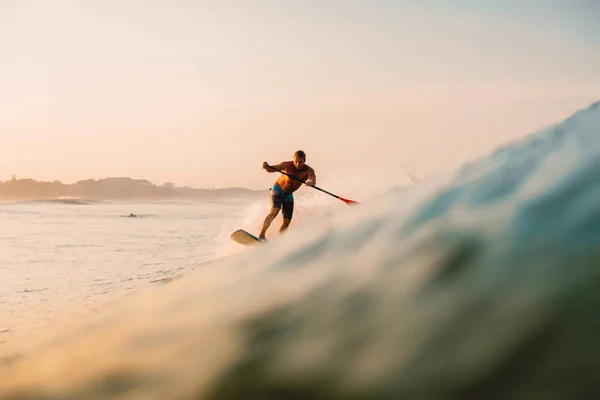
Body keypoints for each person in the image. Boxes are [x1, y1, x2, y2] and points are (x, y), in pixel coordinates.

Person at [259, 150, 316, 240]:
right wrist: (266, 167)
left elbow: (313, 179)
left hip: (288, 195)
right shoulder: (286, 165)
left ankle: (279, 240)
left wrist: (311, 183)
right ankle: (262, 235)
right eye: (295, 161)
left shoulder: (308, 170)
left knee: (287, 221)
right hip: (277, 190)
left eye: (300, 162)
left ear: (304, 160)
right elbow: (271, 169)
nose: (297, 164)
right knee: (274, 212)